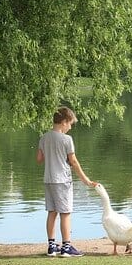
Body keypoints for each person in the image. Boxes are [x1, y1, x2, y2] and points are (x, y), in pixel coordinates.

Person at [36, 106, 95, 257]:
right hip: (62, 180)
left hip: (48, 179)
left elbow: (39, 159)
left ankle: (51, 246)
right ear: (63, 122)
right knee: (65, 213)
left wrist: (53, 156)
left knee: (52, 212)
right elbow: (73, 161)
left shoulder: (44, 137)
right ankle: (66, 247)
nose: (70, 127)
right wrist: (86, 180)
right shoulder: (67, 139)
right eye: (70, 124)